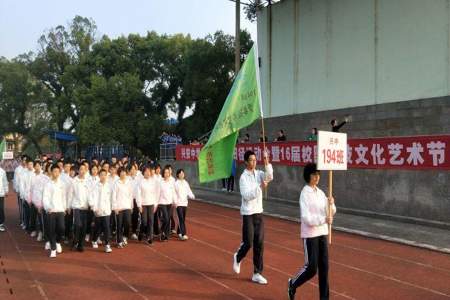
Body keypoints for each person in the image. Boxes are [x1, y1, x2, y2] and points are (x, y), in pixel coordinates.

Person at [288, 163, 336, 300]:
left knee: (324, 268)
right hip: (310, 234)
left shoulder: (320, 193)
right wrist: (323, 219)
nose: (317, 177)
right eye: (314, 174)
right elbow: (306, 218)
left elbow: (330, 213)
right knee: (311, 268)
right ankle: (293, 283)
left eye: (318, 174)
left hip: (323, 233)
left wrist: (331, 204)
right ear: (308, 176)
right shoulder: (305, 193)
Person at [233, 150, 273, 285]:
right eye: (251, 160)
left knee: (259, 243)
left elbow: (269, 177)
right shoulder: (243, 177)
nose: (254, 162)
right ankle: (238, 257)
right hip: (248, 213)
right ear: (246, 162)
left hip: (258, 212)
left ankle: (257, 273)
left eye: (255, 160)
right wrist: (260, 187)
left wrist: (267, 162)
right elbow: (247, 195)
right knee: (248, 242)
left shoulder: (259, 174)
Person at [42, 164, 66, 258]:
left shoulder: (62, 184)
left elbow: (64, 197)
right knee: (51, 229)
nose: (56, 173)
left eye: (57, 171)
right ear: (51, 172)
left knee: (62, 228)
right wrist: (48, 208)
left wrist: (64, 208)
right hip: (51, 211)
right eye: (54, 171)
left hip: (60, 210)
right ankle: (53, 249)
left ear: (59, 172)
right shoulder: (48, 184)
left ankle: (58, 242)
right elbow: (45, 198)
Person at [136, 165, 160, 244]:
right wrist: (139, 205)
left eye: (149, 171)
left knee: (151, 221)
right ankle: (141, 232)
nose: (148, 173)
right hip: (143, 204)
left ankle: (149, 237)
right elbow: (138, 194)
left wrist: (156, 204)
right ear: (143, 173)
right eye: (146, 171)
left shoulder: (154, 182)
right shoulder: (140, 182)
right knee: (144, 221)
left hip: (151, 203)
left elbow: (156, 193)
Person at [69, 164, 90, 252]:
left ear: (86, 170)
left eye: (84, 169)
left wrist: (91, 204)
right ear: (78, 170)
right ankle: (75, 239)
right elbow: (70, 194)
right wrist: (69, 206)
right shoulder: (74, 181)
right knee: (78, 225)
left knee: (84, 227)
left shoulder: (88, 181)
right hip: (76, 206)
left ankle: (80, 245)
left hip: (85, 207)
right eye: (81, 169)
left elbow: (91, 194)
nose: (82, 171)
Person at [90, 169, 113, 253]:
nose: (103, 176)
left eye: (104, 175)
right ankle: (94, 239)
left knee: (107, 227)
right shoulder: (95, 186)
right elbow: (92, 197)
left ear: (107, 176)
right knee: (98, 227)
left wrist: (111, 207)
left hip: (106, 210)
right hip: (98, 210)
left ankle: (107, 244)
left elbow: (111, 198)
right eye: (101, 175)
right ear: (99, 176)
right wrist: (94, 208)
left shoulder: (109, 186)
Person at [112, 167, 133, 248]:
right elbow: (113, 196)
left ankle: (125, 236)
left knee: (127, 223)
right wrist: (115, 207)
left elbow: (130, 195)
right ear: (119, 173)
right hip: (119, 207)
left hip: (127, 206)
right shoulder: (116, 183)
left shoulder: (129, 182)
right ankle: (119, 241)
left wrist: (131, 206)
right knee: (119, 225)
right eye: (121, 172)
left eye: (124, 172)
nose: (123, 174)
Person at [174, 169, 194, 241]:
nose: (182, 174)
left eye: (183, 173)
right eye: (180, 173)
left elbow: (189, 191)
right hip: (178, 203)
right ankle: (183, 234)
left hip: (185, 203)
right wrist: (175, 202)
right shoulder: (176, 183)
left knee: (183, 218)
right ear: (177, 175)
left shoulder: (186, 183)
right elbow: (174, 193)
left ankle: (179, 231)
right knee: (181, 218)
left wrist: (192, 195)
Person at [158, 166, 176, 242]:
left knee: (168, 219)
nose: (166, 174)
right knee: (165, 218)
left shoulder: (171, 182)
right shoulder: (160, 182)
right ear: (163, 173)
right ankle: (162, 231)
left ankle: (165, 234)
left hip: (169, 203)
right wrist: (156, 203)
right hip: (162, 202)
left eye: (168, 172)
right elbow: (157, 193)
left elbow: (173, 192)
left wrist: (175, 201)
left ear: (169, 174)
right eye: (165, 172)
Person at [0, 163, 9, 232]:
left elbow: (5, 181)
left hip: (0, 193)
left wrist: (6, 190)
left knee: (1, 208)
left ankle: (1, 223)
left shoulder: (2, 171)